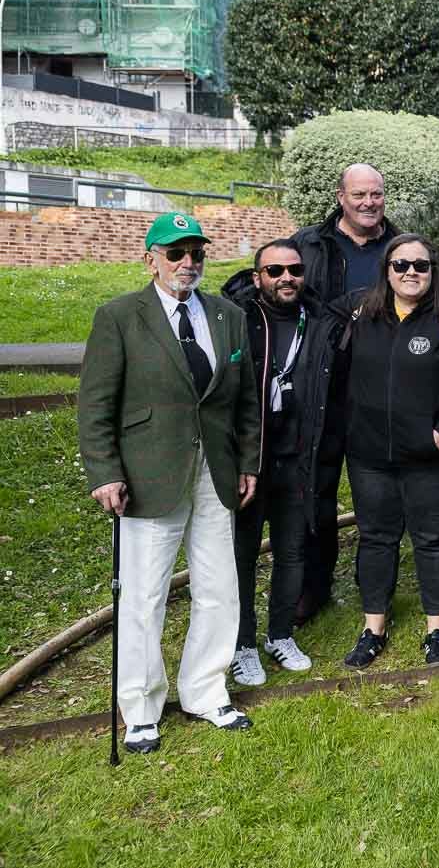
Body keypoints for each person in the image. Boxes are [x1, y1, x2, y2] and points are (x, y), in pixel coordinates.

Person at [78, 212, 261, 752]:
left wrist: (247, 460)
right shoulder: (118, 316)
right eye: (176, 253)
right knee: (142, 595)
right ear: (150, 258)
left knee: (219, 588)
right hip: (146, 476)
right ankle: (140, 706)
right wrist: (105, 471)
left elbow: (245, 397)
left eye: (196, 253)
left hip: (215, 473)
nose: (188, 263)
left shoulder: (227, 315)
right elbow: (95, 404)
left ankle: (206, 690)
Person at [335, 234, 439, 670]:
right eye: (401, 265)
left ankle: (435, 630)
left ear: (432, 270)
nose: (411, 273)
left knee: (432, 540)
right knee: (376, 539)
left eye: (420, 265)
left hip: (431, 457)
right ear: (387, 270)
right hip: (369, 456)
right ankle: (373, 628)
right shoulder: (361, 314)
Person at [288, 162, 400, 624]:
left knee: (378, 492)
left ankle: (374, 587)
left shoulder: (399, 246)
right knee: (317, 488)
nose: (369, 203)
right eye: (359, 195)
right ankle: (313, 587)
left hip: (380, 385)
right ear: (340, 197)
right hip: (322, 383)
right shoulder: (308, 245)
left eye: (376, 194)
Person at [220, 239, 326, 686]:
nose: (287, 278)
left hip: (298, 458)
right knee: (242, 557)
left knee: (292, 552)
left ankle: (279, 634)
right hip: (251, 460)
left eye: (295, 270)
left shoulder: (319, 319)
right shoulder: (239, 319)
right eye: (275, 270)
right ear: (257, 276)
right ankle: (242, 643)